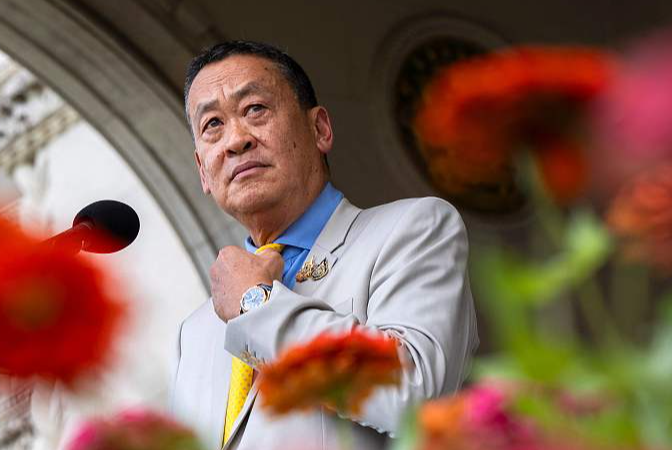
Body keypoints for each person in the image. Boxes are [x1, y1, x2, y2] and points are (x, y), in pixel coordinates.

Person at [170, 40, 478, 450]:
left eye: (255, 110)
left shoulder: (414, 228)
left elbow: (414, 394)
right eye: (213, 125)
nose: (235, 140)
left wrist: (255, 304)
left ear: (320, 129)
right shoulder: (194, 331)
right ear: (202, 172)